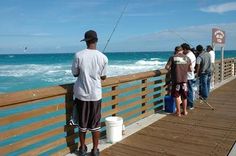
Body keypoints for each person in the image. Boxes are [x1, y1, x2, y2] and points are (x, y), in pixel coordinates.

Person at [71, 30, 108, 156]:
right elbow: (103, 77)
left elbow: (75, 73)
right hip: (96, 95)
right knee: (95, 124)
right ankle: (95, 150)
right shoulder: (103, 57)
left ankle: (82, 148)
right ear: (96, 40)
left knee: (82, 123)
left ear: (86, 41)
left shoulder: (78, 55)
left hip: (81, 95)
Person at [165, 46, 191, 117]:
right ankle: (185, 111)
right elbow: (190, 69)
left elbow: (167, 67)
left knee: (176, 96)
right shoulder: (187, 58)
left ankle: (178, 112)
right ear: (182, 51)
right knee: (184, 96)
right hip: (184, 81)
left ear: (175, 51)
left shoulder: (173, 57)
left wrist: (173, 69)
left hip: (176, 80)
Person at [181, 43, 196, 110]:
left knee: (188, 91)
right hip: (191, 75)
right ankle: (189, 103)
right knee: (189, 90)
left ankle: (190, 104)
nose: (182, 51)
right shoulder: (192, 54)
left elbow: (183, 65)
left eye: (182, 50)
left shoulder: (188, 56)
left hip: (188, 76)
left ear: (185, 49)